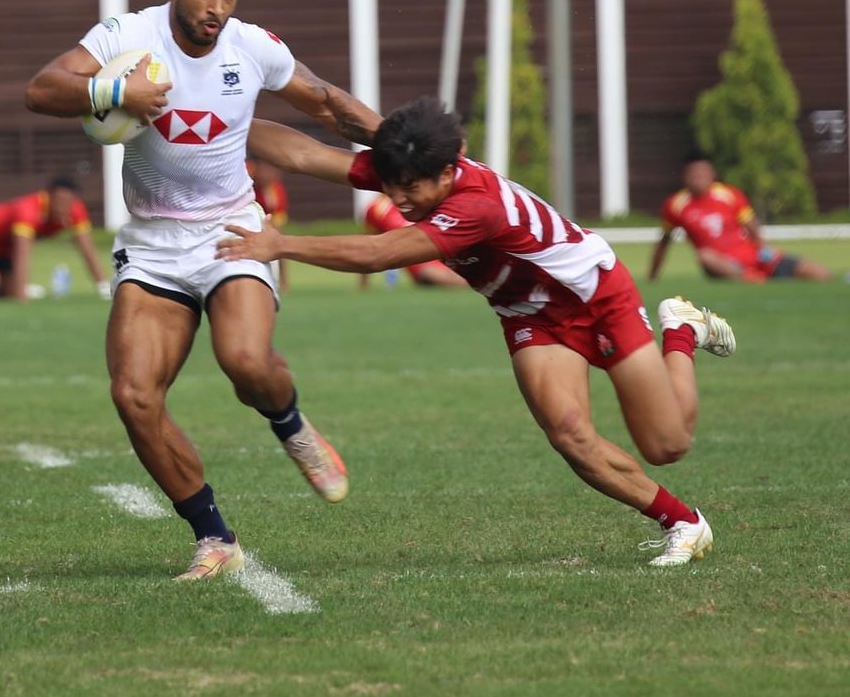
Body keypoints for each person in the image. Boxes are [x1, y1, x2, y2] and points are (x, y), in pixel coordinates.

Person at [224, 101, 737, 568]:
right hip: (526, 312)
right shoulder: (410, 168)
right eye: (392, 183)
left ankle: (681, 331)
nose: (400, 198)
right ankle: (684, 523)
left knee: (667, 444)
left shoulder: (476, 206)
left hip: (596, 298)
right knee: (569, 434)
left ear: (448, 172)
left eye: (412, 188)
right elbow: (305, 155)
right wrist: (219, 117)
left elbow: (379, 253)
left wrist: (280, 244)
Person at [26, 0, 381, 580]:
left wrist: (403, 148)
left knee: (245, 361)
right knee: (134, 395)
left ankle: (292, 425)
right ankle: (213, 536)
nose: (217, 7)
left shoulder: (252, 47)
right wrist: (113, 94)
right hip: (153, 243)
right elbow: (43, 88)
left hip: (230, 229)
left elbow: (327, 103)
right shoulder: (128, 37)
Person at [650, 154, 830, 283]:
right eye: (694, 174)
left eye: (703, 173)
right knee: (705, 256)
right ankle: (752, 280)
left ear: (712, 174)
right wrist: (653, 275)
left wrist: (764, 250)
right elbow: (664, 242)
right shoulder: (676, 205)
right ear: (685, 177)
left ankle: (764, 275)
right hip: (724, 265)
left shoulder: (729, 194)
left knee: (819, 274)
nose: (699, 178)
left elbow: (751, 226)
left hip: (752, 254)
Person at [0, 178, 110, 300]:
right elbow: (22, 254)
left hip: (7, 243)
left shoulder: (76, 210)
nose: (63, 208)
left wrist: (103, 287)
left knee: (8, 293)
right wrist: (22, 298)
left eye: (68, 202)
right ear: (48, 197)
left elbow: (87, 249)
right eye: (59, 201)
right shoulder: (28, 210)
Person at [360, 193, 466, 288]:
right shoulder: (377, 208)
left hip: (440, 253)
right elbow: (369, 246)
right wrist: (364, 284)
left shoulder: (419, 199)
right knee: (442, 277)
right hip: (420, 264)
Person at [247, 156, 290, 293]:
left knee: (279, 241)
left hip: (265, 219)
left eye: (274, 172)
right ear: (256, 168)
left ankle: (282, 281)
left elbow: (277, 222)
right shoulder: (244, 176)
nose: (269, 175)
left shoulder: (275, 190)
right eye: (266, 171)